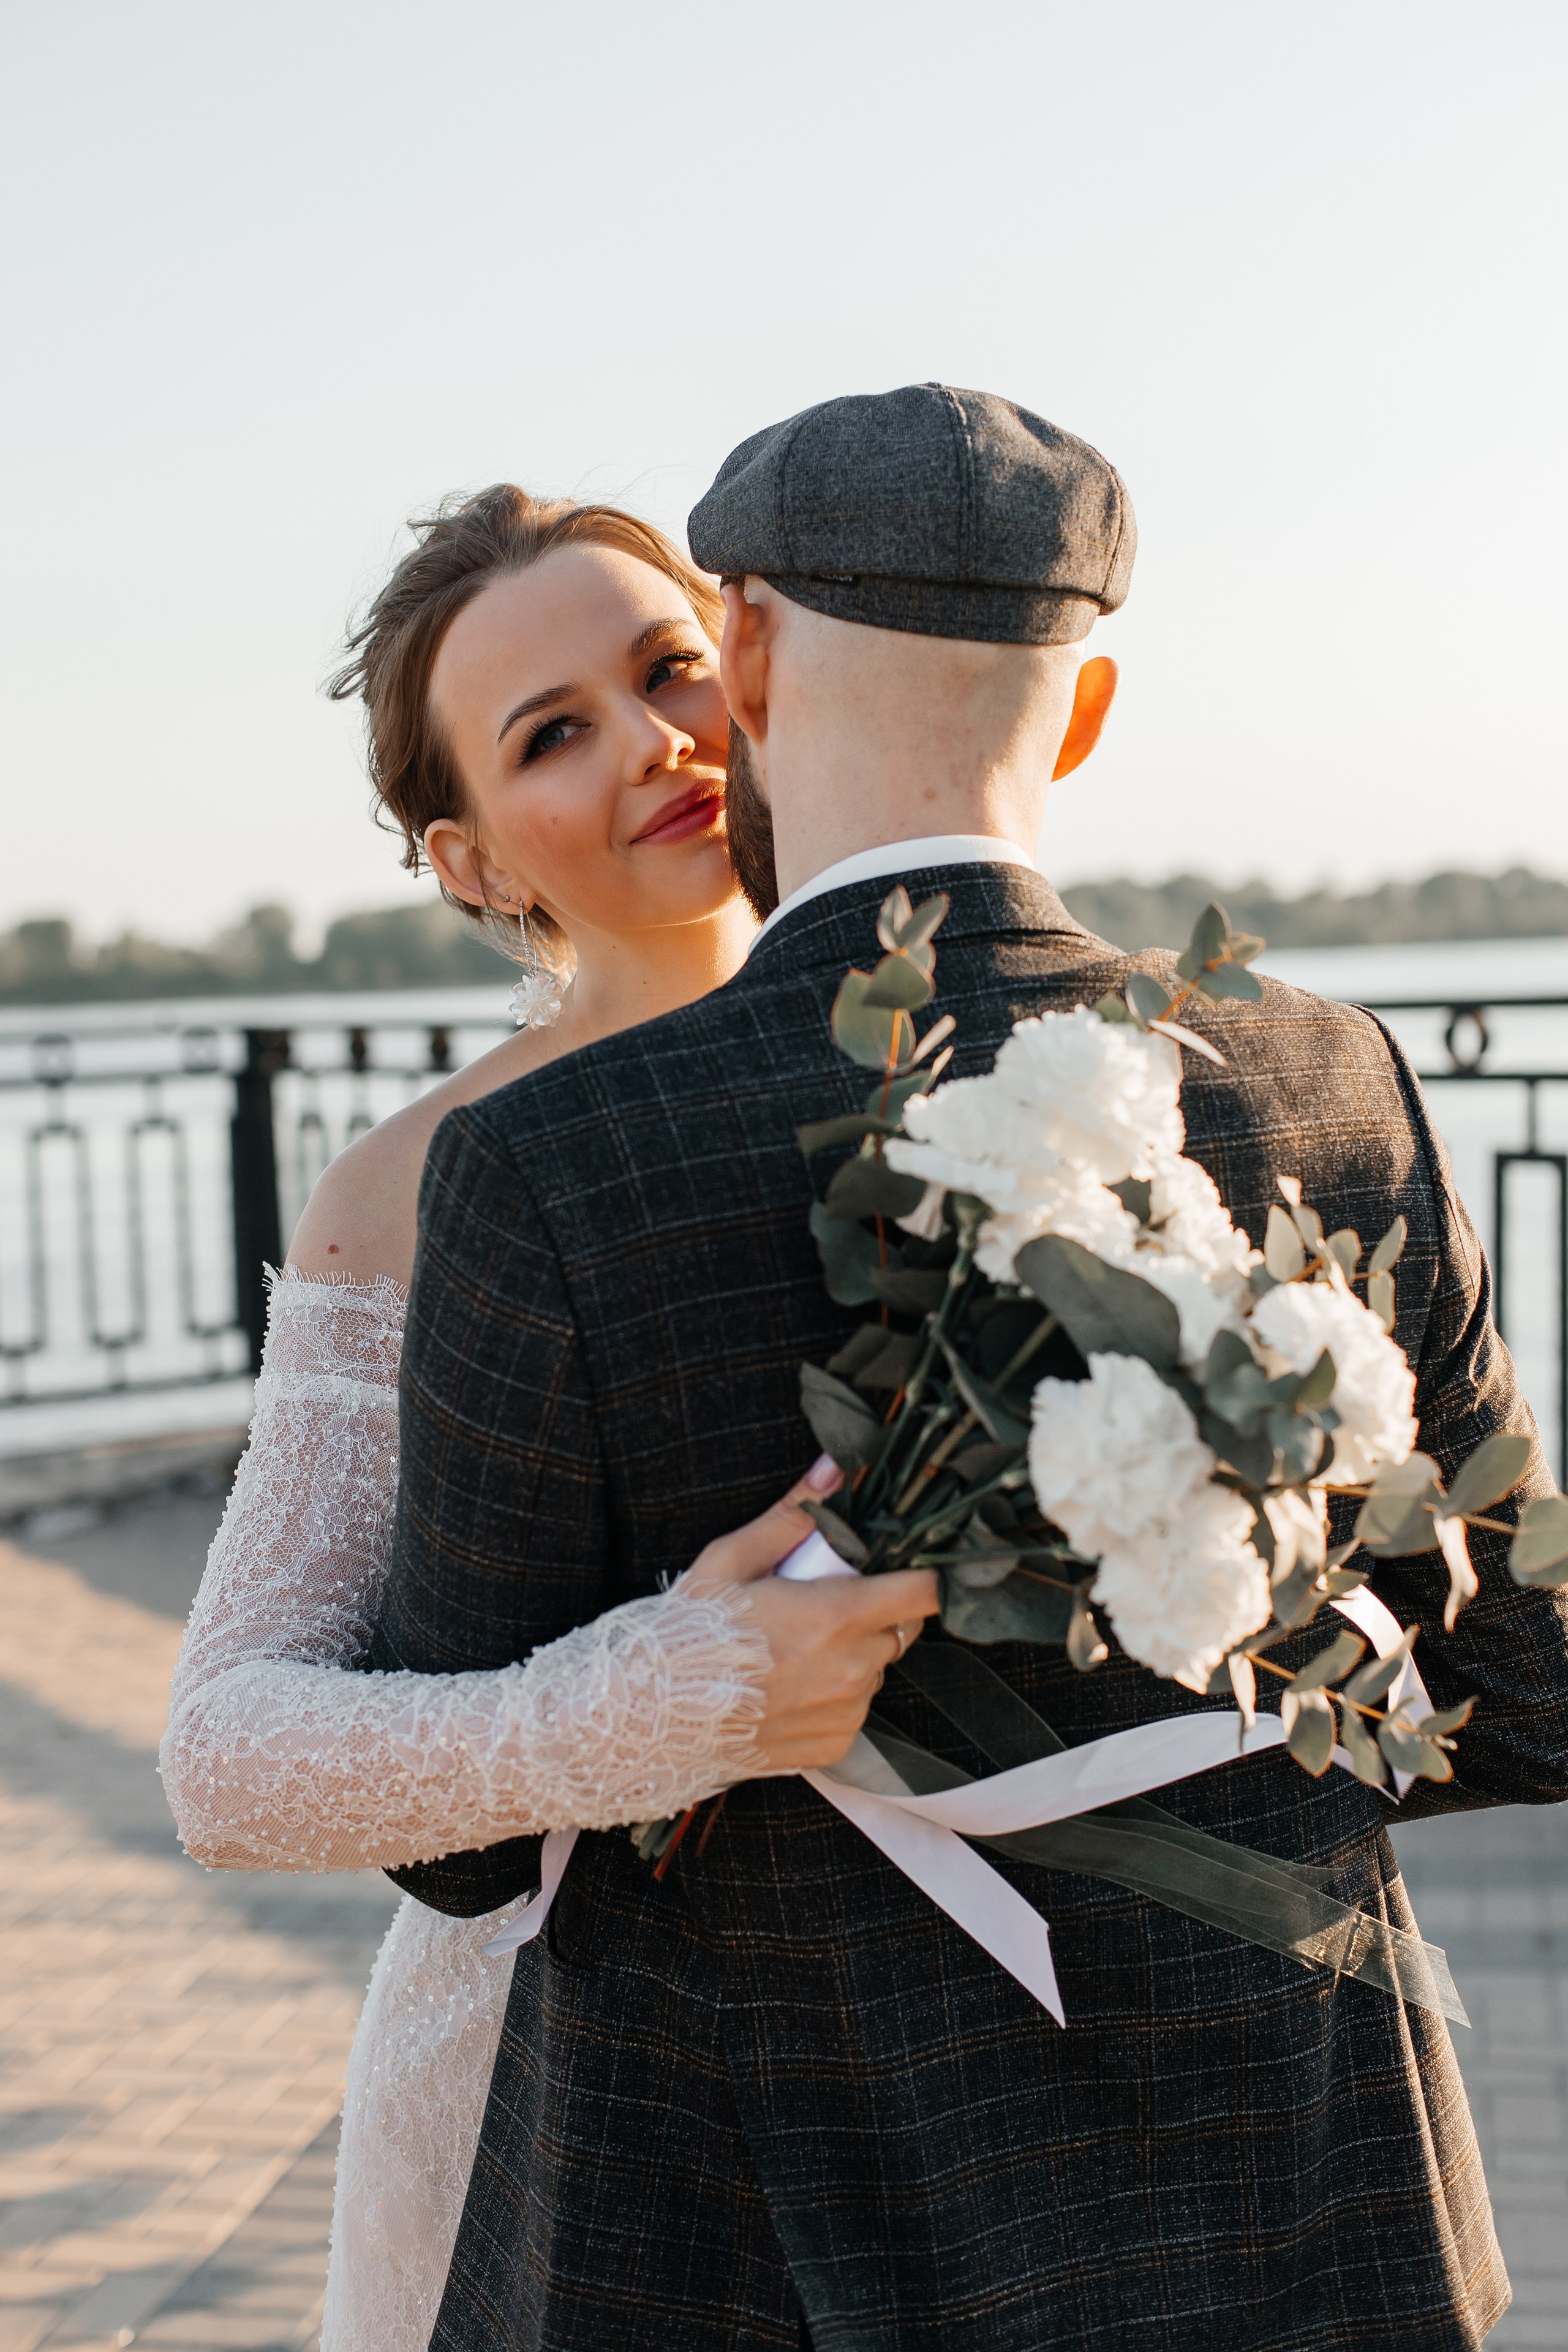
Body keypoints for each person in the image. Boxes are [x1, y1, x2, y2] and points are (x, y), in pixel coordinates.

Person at [373, 383, 1568, 2351]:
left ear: (741, 656)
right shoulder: (1334, 1078)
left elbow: (466, 1832)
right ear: (1082, 713)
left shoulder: (550, 1165)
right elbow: (1523, 1685)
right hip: (1311, 2196)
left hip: (770, 2231)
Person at [158, 486, 935, 2352]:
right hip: (553, 2068)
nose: (657, 746)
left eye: (672, 671)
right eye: (550, 735)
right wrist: (644, 1702)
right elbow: (228, 1751)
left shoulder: (985, 1060)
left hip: (961, 2049)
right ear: (470, 860)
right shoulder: (410, 1189)